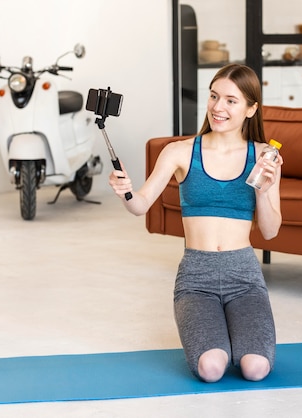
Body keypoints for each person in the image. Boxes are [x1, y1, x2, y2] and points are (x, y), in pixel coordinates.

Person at [108, 63, 283, 382]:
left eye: (231, 100)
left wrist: (265, 190)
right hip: (196, 277)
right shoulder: (180, 152)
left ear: (250, 109)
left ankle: (236, 334)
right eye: (214, 96)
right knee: (211, 369)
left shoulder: (264, 157)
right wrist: (125, 193)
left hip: (244, 276)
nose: (218, 107)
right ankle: (221, 337)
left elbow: (270, 232)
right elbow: (141, 205)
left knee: (255, 368)